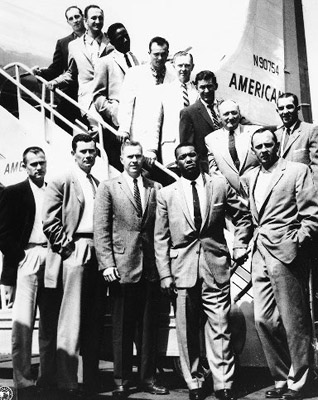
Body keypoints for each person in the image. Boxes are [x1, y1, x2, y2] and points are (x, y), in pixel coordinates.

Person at [154, 142, 252, 400]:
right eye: (182, 157)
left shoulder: (218, 185)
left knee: (220, 325)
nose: (188, 159)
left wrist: (240, 242)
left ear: (198, 157)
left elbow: (242, 216)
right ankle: (194, 383)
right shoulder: (167, 194)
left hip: (215, 265)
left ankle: (223, 384)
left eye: (191, 154)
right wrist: (165, 274)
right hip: (182, 269)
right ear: (177, 162)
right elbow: (160, 238)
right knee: (185, 330)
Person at [94, 141, 169, 399]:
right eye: (130, 157)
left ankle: (148, 378)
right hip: (122, 267)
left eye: (138, 156)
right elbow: (101, 229)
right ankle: (122, 380)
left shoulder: (155, 188)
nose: (135, 160)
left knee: (148, 328)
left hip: (149, 267)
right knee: (123, 326)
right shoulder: (108, 187)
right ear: (122, 159)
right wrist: (107, 263)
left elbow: (160, 229)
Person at [247, 128, 318, 400]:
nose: (264, 150)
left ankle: (299, 382)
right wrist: (243, 240)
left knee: (294, 320)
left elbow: (312, 215)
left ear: (277, 146)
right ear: (253, 150)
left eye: (268, 145)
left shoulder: (296, 171)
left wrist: (297, 241)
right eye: (259, 146)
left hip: (287, 251)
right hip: (259, 252)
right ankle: (281, 377)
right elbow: (247, 214)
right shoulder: (251, 176)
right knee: (263, 319)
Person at [42, 134, 104, 397]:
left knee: (93, 318)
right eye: (83, 152)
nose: (88, 156)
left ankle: (90, 380)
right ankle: (67, 382)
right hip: (74, 250)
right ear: (73, 153)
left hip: (97, 251)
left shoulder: (97, 183)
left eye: (92, 152)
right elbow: (49, 221)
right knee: (71, 319)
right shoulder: (61, 180)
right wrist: (67, 248)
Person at [0, 147, 56, 395]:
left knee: (50, 322)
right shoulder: (14, 193)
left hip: (52, 257)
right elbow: (3, 234)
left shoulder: (53, 191)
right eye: (33, 164)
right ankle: (22, 379)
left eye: (41, 163)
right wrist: (20, 257)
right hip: (27, 258)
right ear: (24, 166)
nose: (38, 167)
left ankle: (48, 377)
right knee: (23, 323)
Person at [47, 5, 114, 131]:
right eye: (94, 18)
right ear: (86, 20)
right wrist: (56, 81)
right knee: (98, 131)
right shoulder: (74, 46)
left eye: (101, 18)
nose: (98, 22)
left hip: (109, 99)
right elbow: (72, 73)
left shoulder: (111, 42)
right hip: (88, 99)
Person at [117, 36, 175, 160]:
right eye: (156, 54)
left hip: (165, 137)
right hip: (141, 134)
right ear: (149, 54)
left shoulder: (173, 77)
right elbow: (126, 103)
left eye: (163, 54)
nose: (160, 58)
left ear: (168, 54)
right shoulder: (135, 74)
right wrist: (124, 129)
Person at [92, 22, 139, 170]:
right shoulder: (105, 62)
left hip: (137, 119)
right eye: (120, 38)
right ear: (112, 42)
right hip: (117, 125)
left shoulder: (134, 59)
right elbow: (98, 97)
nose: (125, 41)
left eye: (127, 36)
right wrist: (114, 111)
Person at [32, 6, 85, 132]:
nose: (75, 20)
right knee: (61, 119)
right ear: (68, 22)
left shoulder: (94, 39)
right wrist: (40, 73)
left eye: (77, 16)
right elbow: (56, 69)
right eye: (71, 18)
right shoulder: (63, 43)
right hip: (71, 93)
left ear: (83, 17)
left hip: (90, 92)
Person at [205, 99, 260, 197]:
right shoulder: (211, 139)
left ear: (239, 114)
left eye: (234, 113)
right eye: (226, 114)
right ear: (218, 117)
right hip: (231, 199)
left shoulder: (254, 132)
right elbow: (215, 173)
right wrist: (232, 196)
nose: (231, 117)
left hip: (257, 192)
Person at [154, 51, 197, 168]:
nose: (183, 69)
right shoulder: (163, 91)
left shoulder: (197, 92)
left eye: (187, 65)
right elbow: (156, 123)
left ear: (192, 67)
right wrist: (152, 149)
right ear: (173, 66)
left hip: (194, 150)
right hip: (171, 148)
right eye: (180, 65)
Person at [179, 70, 222, 173]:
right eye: (202, 87)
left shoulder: (225, 107)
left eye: (210, 86)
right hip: (206, 169)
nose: (206, 91)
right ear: (196, 88)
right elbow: (187, 147)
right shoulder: (189, 113)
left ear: (216, 86)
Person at [275, 92, 318, 189]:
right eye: (281, 108)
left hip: (303, 193)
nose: (285, 112)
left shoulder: (311, 131)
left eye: (289, 107)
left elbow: (316, 170)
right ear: (277, 111)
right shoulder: (276, 135)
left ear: (298, 109)